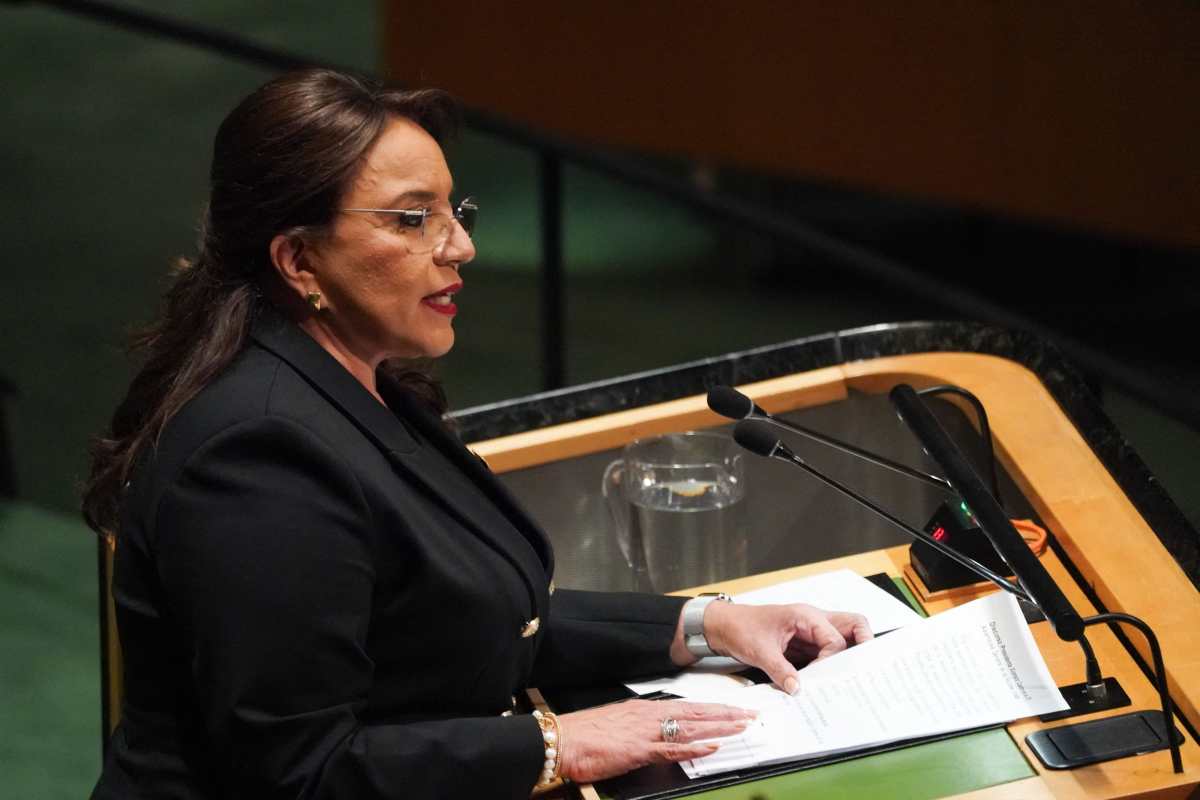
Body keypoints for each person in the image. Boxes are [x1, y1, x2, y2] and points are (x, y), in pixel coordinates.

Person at [82, 68, 871, 799]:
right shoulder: (255, 456)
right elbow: (302, 773)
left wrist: (704, 624)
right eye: (413, 219)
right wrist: (562, 745)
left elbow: (463, 617)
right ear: (298, 259)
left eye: (454, 213)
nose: (460, 246)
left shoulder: (362, 381)